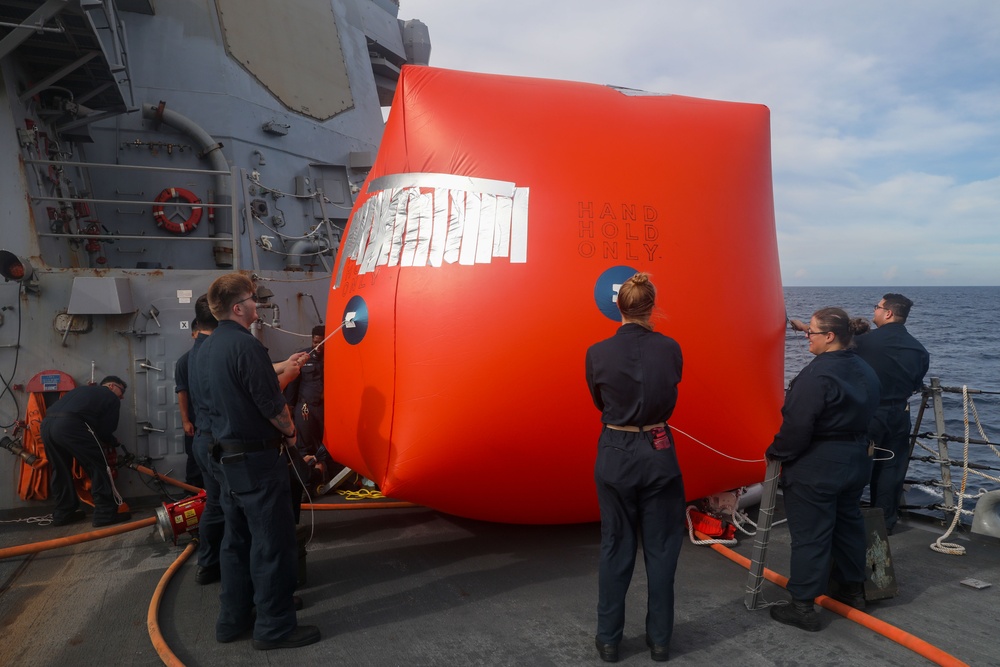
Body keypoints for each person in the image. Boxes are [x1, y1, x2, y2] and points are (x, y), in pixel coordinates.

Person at [194, 273, 319, 650]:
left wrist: (281, 365)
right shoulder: (247, 346)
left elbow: (235, 390)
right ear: (238, 308)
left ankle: (234, 618)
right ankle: (274, 626)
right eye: (252, 300)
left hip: (226, 462)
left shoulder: (207, 348)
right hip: (257, 462)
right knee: (272, 544)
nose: (256, 306)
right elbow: (273, 407)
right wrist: (293, 435)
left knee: (237, 542)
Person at [585, 272, 684, 663]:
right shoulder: (671, 347)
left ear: (619, 307)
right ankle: (660, 640)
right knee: (661, 551)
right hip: (658, 449)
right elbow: (671, 394)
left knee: (615, 546)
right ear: (651, 306)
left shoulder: (597, 352)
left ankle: (609, 640)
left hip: (616, 448)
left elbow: (598, 399)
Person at [766, 308, 880, 631]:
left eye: (811, 333)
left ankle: (802, 605)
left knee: (811, 534)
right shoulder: (866, 370)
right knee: (848, 525)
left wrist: (777, 452)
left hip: (818, 464)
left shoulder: (816, 375)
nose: (807, 337)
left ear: (829, 337)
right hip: (856, 459)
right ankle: (853, 591)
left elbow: (798, 425)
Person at [854, 293, 929, 533]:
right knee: (891, 468)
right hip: (899, 413)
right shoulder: (919, 350)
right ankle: (884, 523)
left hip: (868, 412)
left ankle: (848, 517)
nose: (874, 311)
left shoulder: (863, 344)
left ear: (887, 313)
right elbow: (917, 383)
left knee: (855, 463)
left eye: (877, 307)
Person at [42, 376, 132, 527]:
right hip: (71, 425)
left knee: (60, 469)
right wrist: (112, 441)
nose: (121, 396)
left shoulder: (82, 391)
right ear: (110, 386)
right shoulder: (110, 397)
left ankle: (63, 514)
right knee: (98, 467)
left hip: (47, 425)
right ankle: (105, 514)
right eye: (121, 391)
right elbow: (105, 430)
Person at [185, 296, 224, 585]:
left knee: (215, 505)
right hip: (219, 443)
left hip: (203, 438)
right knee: (233, 508)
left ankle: (208, 564)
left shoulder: (192, 355)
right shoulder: (219, 351)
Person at [176, 318, 204, 489]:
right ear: (193, 335)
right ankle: (193, 493)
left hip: (216, 422)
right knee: (194, 459)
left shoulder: (217, 356)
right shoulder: (184, 362)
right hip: (195, 422)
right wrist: (186, 421)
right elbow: (182, 392)